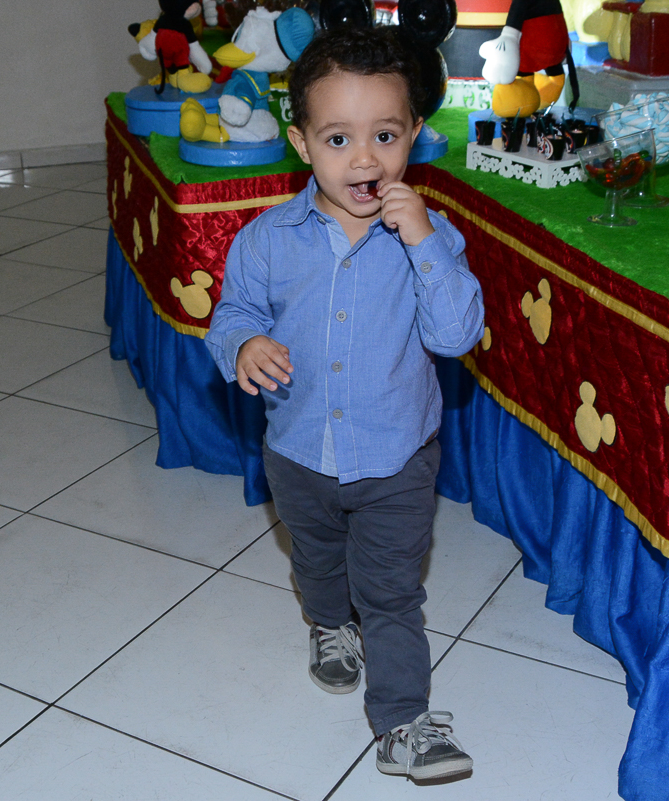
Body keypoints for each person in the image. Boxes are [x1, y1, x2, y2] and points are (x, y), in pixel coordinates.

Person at [204, 25, 485, 783]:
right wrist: (241, 347)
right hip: (298, 450)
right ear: (301, 142)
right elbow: (229, 315)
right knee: (321, 563)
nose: (364, 159)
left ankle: (403, 722)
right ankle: (329, 626)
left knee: (392, 591)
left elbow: (459, 334)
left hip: (395, 455)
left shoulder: (432, 237)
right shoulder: (267, 241)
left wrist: (425, 240)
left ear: (414, 134)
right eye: (338, 137)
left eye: (385, 134)